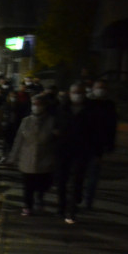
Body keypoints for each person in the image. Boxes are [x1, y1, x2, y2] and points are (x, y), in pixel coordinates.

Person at [7, 93, 57, 215]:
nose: (36, 107)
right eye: (34, 104)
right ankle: (27, 205)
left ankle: (39, 198)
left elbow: (55, 141)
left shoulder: (51, 121)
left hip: (45, 157)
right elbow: (18, 140)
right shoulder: (26, 121)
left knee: (43, 183)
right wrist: (13, 157)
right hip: (27, 158)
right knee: (28, 184)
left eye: (38, 104)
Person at [55, 82, 95, 224]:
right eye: (75, 92)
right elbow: (56, 126)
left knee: (77, 180)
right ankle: (61, 206)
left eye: (80, 92)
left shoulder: (90, 110)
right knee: (61, 180)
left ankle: (71, 210)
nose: (77, 95)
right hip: (63, 149)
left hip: (82, 149)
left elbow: (96, 130)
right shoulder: (62, 108)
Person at [84, 79, 117, 210]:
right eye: (98, 87)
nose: (101, 90)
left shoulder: (109, 105)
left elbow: (111, 126)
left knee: (93, 175)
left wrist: (109, 144)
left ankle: (88, 201)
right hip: (82, 145)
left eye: (103, 88)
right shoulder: (86, 103)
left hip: (97, 146)